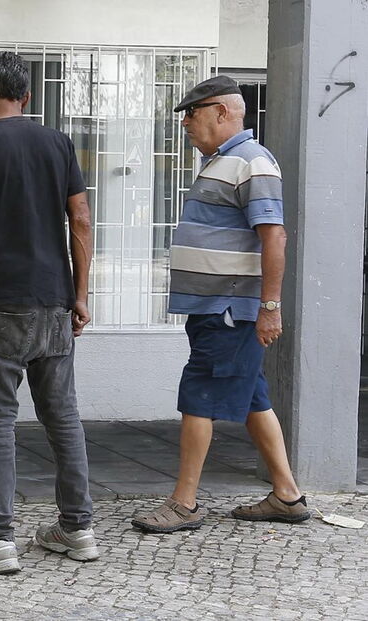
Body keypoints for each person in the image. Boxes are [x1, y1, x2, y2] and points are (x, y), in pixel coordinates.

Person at [132, 76, 310, 534]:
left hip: (230, 308)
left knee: (200, 394)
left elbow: (275, 236)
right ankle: (287, 496)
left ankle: (185, 503)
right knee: (253, 398)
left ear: (223, 112)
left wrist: (269, 306)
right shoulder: (223, 162)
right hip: (216, 307)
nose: (187, 123)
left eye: (193, 113)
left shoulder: (252, 162)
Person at [0, 52, 96, 574]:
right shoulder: (57, 143)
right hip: (54, 299)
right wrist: (79, 294)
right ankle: (77, 528)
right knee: (63, 414)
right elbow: (79, 217)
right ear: (26, 97)